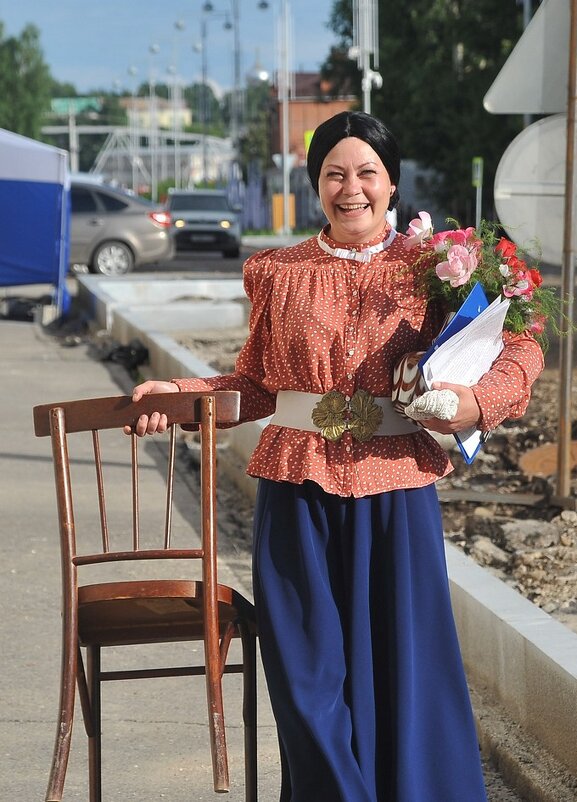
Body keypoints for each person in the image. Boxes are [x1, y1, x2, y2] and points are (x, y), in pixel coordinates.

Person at [126, 111, 544, 801]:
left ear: (392, 182)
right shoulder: (277, 272)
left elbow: (520, 343)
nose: (351, 189)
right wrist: (179, 391)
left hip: (398, 495)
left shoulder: (437, 269)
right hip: (295, 495)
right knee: (304, 678)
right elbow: (255, 386)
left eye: (366, 173)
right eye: (334, 175)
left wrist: (477, 401)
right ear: (315, 182)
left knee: (402, 678)